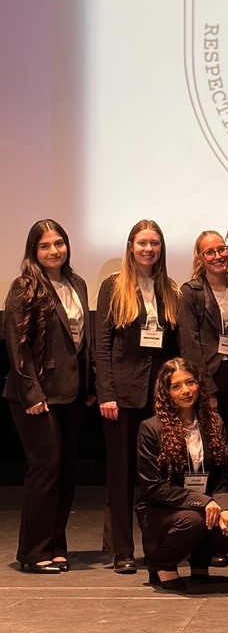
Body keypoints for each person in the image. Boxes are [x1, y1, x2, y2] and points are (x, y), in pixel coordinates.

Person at [3, 220, 93, 573]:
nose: (54, 250)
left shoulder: (77, 283)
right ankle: (33, 551)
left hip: (71, 392)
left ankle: (55, 545)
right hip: (37, 394)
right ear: (34, 251)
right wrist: (31, 392)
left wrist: (89, 387)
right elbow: (17, 344)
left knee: (65, 472)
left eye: (59, 243)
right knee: (46, 468)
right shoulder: (24, 287)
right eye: (45, 245)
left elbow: (81, 342)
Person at [95, 219, 181, 574]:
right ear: (131, 246)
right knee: (121, 475)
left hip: (158, 397)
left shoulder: (169, 289)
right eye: (143, 242)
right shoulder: (113, 286)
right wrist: (106, 393)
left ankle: (157, 545)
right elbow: (102, 345)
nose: (149, 249)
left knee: (157, 476)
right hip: (122, 395)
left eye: (155, 243)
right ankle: (122, 549)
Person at [178, 230, 228, 563]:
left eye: (221, 250)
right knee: (213, 459)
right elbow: (189, 343)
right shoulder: (191, 292)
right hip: (207, 382)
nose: (217, 256)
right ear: (200, 258)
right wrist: (206, 390)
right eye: (209, 252)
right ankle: (214, 544)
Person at [136, 357, 228, 591]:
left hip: (202, 503)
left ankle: (200, 564)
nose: (186, 391)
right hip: (161, 508)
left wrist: (226, 507)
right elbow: (153, 486)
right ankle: (161, 564)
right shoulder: (151, 428)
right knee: (193, 520)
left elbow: (223, 475)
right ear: (166, 393)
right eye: (176, 386)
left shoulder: (214, 422)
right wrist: (203, 501)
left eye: (190, 382)